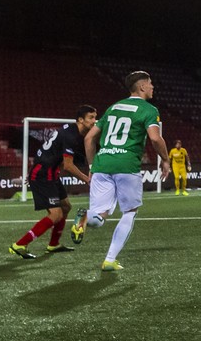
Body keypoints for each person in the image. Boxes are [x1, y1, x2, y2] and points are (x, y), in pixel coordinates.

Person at [71, 71, 171, 272]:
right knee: (130, 212)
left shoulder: (113, 107)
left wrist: (92, 167)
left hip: (101, 165)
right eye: (150, 84)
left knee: (99, 218)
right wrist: (165, 160)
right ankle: (109, 259)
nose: (153, 87)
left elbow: (89, 138)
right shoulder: (149, 109)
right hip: (126, 165)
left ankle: (84, 217)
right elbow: (155, 138)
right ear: (142, 87)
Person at [10, 105, 96, 259]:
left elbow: (61, 160)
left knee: (65, 206)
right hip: (43, 174)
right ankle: (20, 244)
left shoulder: (70, 130)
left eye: (95, 117)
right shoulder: (71, 136)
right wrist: (87, 179)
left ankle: (53, 244)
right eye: (91, 118)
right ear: (80, 120)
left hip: (49, 173)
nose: (94, 121)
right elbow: (68, 166)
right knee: (55, 214)